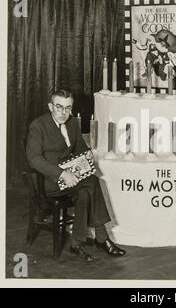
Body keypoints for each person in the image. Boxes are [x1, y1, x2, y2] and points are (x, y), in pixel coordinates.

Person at [26, 89, 126, 262]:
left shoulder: (72, 123)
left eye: (68, 108)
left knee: (85, 193)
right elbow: (34, 159)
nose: (64, 113)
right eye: (59, 107)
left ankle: (76, 242)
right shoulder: (38, 126)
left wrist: (87, 161)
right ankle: (103, 239)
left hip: (74, 179)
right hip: (50, 181)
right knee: (93, 183)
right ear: (51, 107)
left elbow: (80, 148)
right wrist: (62, 173)